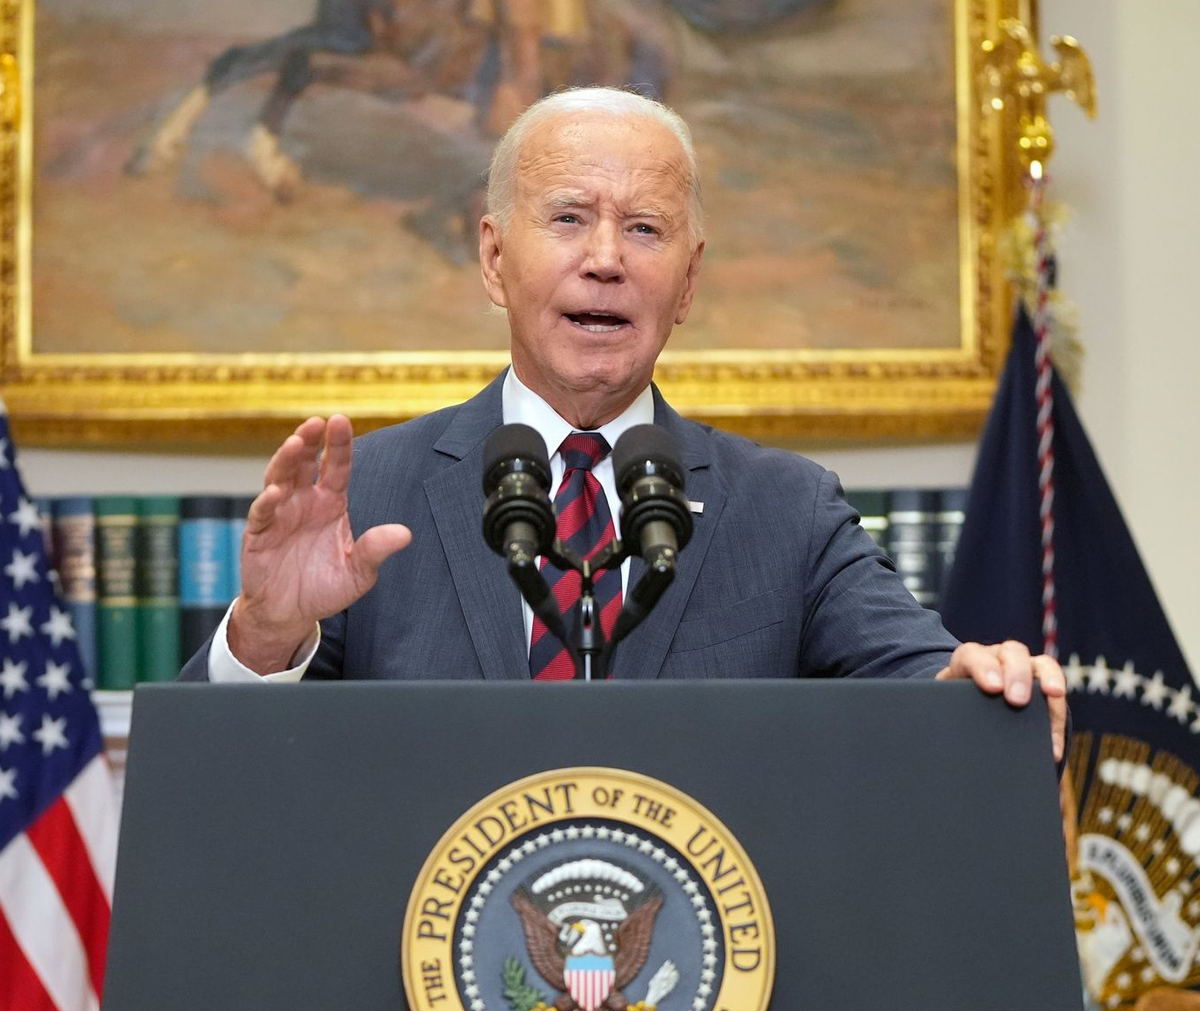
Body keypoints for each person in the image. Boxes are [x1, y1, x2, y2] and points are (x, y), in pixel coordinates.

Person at [179, 86, 1067, 762]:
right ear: (494, 256)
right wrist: (265, 633)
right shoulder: (370, 491)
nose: (605, 259)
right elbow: (222, 779)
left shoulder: (785, 512)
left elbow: (921, 677)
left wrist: (976, 690)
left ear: (687, 282)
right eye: (568, 219)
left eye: (645, 228)